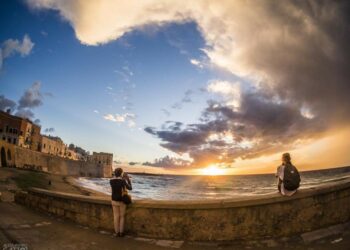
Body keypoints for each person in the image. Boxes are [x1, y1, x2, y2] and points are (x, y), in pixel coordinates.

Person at [110, 168, 132, 237]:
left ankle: (116, 232)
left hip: (113, 200)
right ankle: (121, 232)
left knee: (116, 217)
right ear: (121, 173)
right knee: (122, 217)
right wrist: (128, 180)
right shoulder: (123, 181)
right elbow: (130, 188)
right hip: (121, 201)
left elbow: (117, 183)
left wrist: (122, 177)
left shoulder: (111, 181)